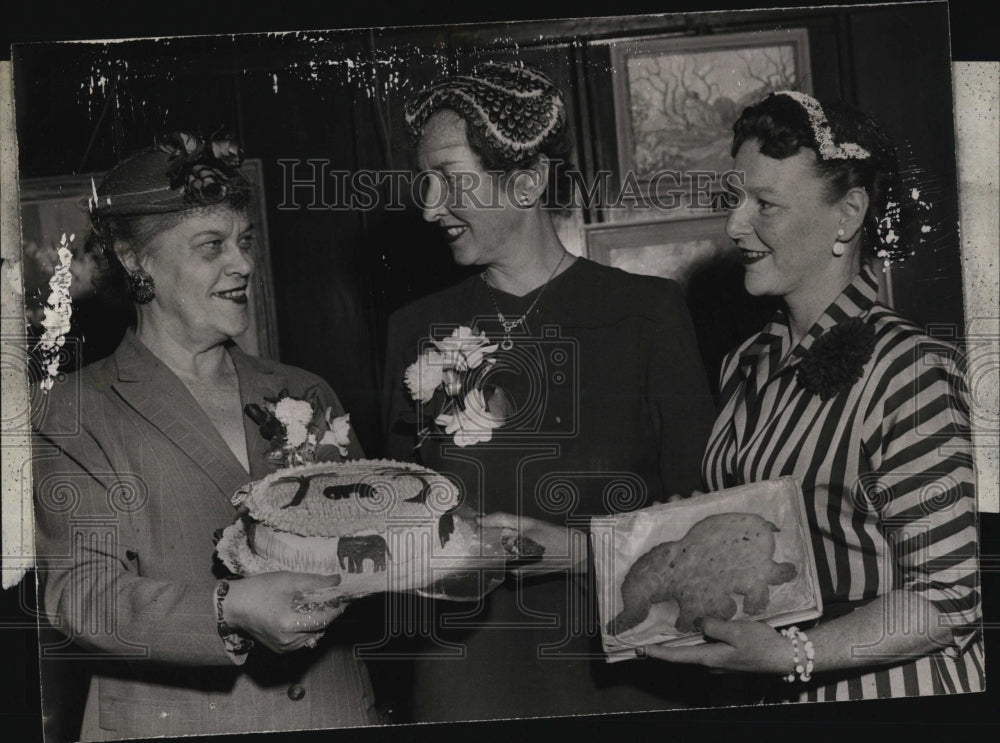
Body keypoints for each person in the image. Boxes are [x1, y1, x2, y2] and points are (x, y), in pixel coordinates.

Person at [380, 62, 717, 722]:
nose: (429, 205)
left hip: (624, 676)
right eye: (425, 181)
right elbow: (399, 526)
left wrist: (572, 549)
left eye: (450, 177)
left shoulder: (647, 313)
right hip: (466, 681)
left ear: (528, 180)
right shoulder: (412, 330)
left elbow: (701, 525)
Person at [31, 133, 380, 741]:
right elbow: (81, 594)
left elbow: (365, 543)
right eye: (211, 246)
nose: (242, 263)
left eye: (243, 242)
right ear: (136, 260)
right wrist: (230, 610)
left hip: (333, 710)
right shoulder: (75, 413)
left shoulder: (306, 391)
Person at [645, 91, 984, 700]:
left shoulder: (908, 368)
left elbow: (948, 598)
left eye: (765, 204)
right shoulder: (744, 363)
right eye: (736, 197)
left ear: (847, 214)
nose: (734, 225)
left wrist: (793, 654)